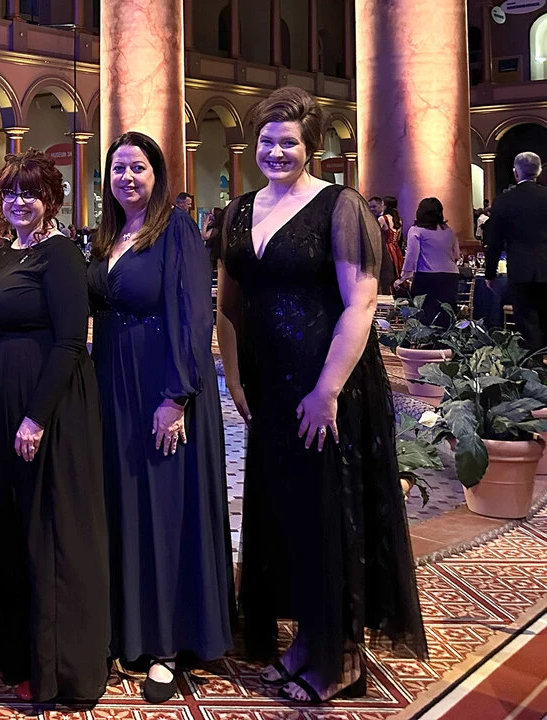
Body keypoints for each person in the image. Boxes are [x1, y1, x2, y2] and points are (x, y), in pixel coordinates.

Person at [217, 86, 426, 704]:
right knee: (284, 513)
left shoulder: (340, 206)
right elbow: (228, 306)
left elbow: (361, 304)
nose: (277, 151)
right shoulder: (239, 209)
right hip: (269, 388)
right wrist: (232, 376)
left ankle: (340, 659)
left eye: (289, 143)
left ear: (310, 148)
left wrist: (328, 389)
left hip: (325, 385)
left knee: (327, 514)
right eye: (267, 142)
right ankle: (305, 642)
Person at [88, 132, 233, 704]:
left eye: (138, 167)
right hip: (111, 384)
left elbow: (196, 315)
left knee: (165, 509)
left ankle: (169, 645)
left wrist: (176, 396)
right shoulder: (107, 234)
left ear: (158, 174)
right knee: (125, 506)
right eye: (118, 168)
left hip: (160, 387)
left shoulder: (174, 228)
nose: (127, 177)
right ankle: (130, 628)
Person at [0, 149, 109, 707]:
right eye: (10, 193)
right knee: (7, 523)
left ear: (51, 198)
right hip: (1, 397)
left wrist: (36, 416)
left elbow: (71, 342)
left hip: (44, 407)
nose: (19, 201)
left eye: (31, 192)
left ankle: (57, 667)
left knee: (45, 531)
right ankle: (16, 645)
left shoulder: (60, 257)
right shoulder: (6, 252)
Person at [484, 152, 547, 352]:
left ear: (515, 173)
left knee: (527, 325)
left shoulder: (504, 200)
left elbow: (494, 241)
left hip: (520, 270)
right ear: (539, 171)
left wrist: (490, 273)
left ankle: (534, 373)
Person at [399, 197, 460, 326]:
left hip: (427, 277)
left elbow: (411, 257)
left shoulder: (416, 231)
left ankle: (425, 344)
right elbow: (456, 255)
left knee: (424, 316)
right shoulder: (449, 231)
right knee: (445, 315)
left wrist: (403, 278)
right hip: (451, 276)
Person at [368, 196, 402, 293]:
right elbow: (398, 238)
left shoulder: (383, 219)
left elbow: (374, 236)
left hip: (386, 250)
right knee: (396, 274)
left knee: (386, 276)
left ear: (384, 206)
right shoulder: (399, 219)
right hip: (396, 250)